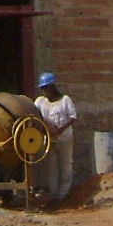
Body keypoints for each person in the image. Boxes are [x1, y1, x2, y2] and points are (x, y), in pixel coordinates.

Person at [33, 71, 77, 202]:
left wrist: (61, 128)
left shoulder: (65, 100)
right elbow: (34, 114)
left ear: (53, 86)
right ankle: (53, 194)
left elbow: (73, 116)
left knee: (66, 165)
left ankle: (63, 194)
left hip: (64, 138)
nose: (44, 91)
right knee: (51, 168)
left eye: (46, 87)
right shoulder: (40, 102)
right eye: (42, 88)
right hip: (49, 139)